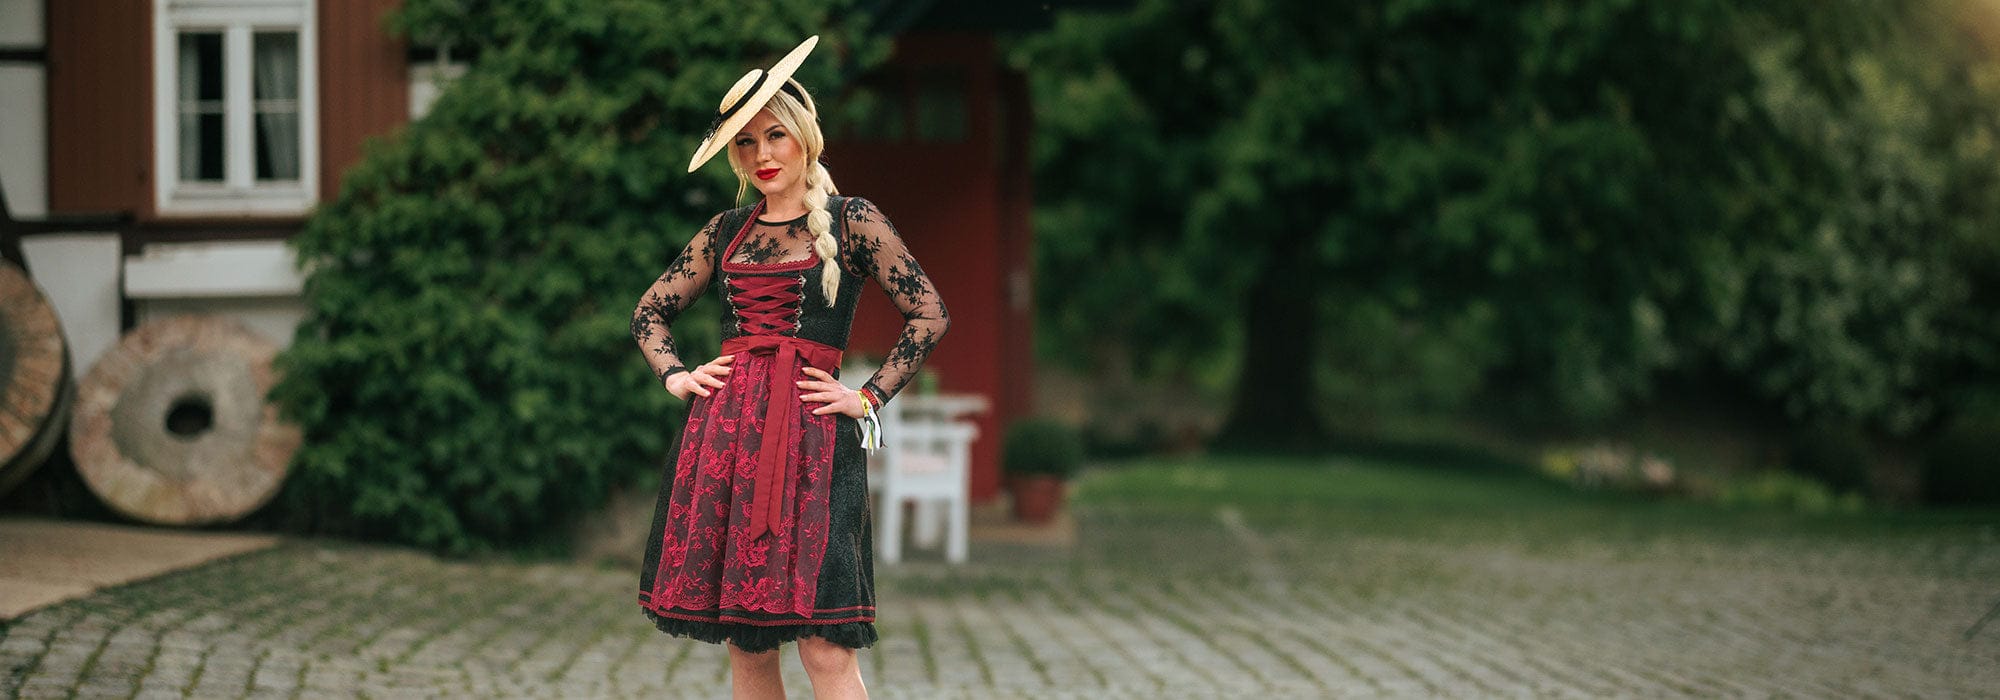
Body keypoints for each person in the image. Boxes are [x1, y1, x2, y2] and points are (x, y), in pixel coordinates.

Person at [630, 35, 949, 699]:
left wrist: (867, 399)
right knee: (748, 653)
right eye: (745, 143)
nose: (762, 155)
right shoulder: (726, 231)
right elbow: (650, 312)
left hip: (815, 444)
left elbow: (929, 314)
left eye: (774, 135)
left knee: (826, 649)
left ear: (803, 135)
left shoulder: (852, 220)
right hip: (725, 443)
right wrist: (678, 376)